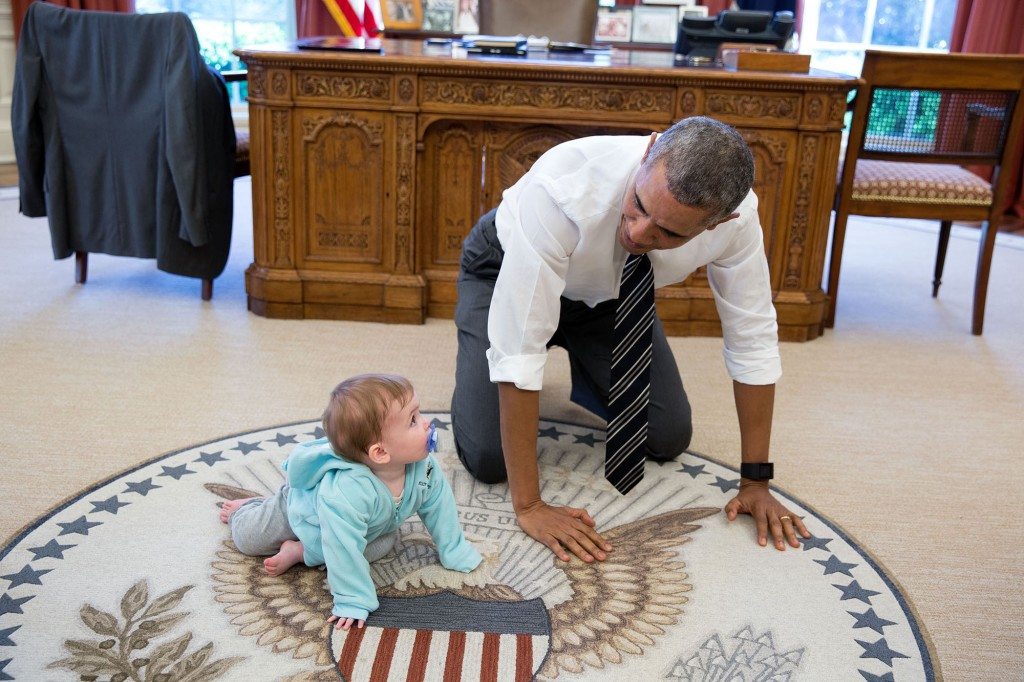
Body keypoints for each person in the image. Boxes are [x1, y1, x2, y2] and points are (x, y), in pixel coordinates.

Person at [451, 116, 811, 565]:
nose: (638, 234)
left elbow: (753, 337)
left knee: (666, 436)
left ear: (721, 221)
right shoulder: (563, 187)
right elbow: (519, 351)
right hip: (502, 268)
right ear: (650, 151)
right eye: (639, 204)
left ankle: (584, 359)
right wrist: (530, 507)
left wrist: (756, 481)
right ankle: (478, 348)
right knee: (489, 459)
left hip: (610, 298)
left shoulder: (739, 223)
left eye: (669, 233)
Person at [219, 373, 482, 631]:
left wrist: (454, 549)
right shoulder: (348, 491)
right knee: (247, 539)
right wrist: (353, 598)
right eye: (413, 420)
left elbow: (439, 506)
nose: (426, 424)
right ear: (380, 452)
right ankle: (251, 507)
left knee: (384, 545)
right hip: (301, 510)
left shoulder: (424, 468)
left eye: (419, 414)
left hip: (363, 527)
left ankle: (300, 552)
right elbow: (341, 543)